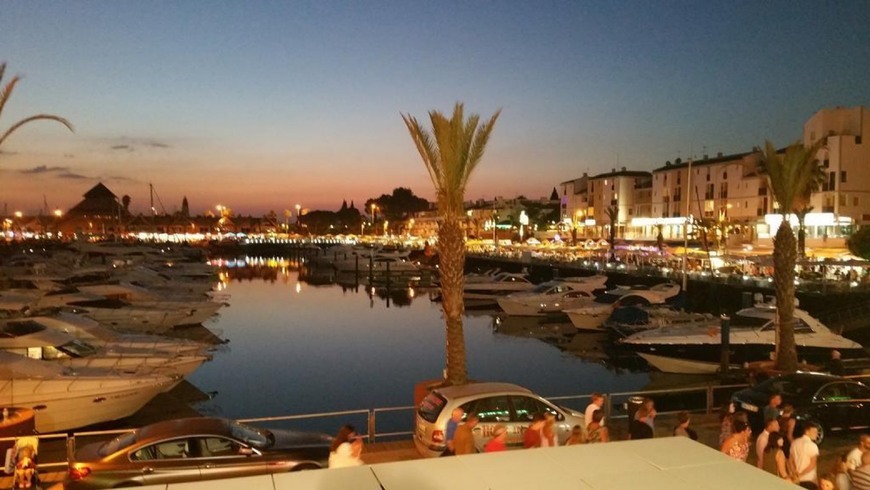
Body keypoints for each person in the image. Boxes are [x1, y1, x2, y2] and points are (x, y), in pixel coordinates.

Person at [791, 422, 821, 489]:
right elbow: (812, 464)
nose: (817, 434)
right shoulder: (812, 446)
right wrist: (801, 474)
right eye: (814, 432)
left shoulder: (794, 443)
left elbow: (790, 460)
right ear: (807, 432)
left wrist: (795, 473)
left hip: (797, 479)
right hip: (809, 478)